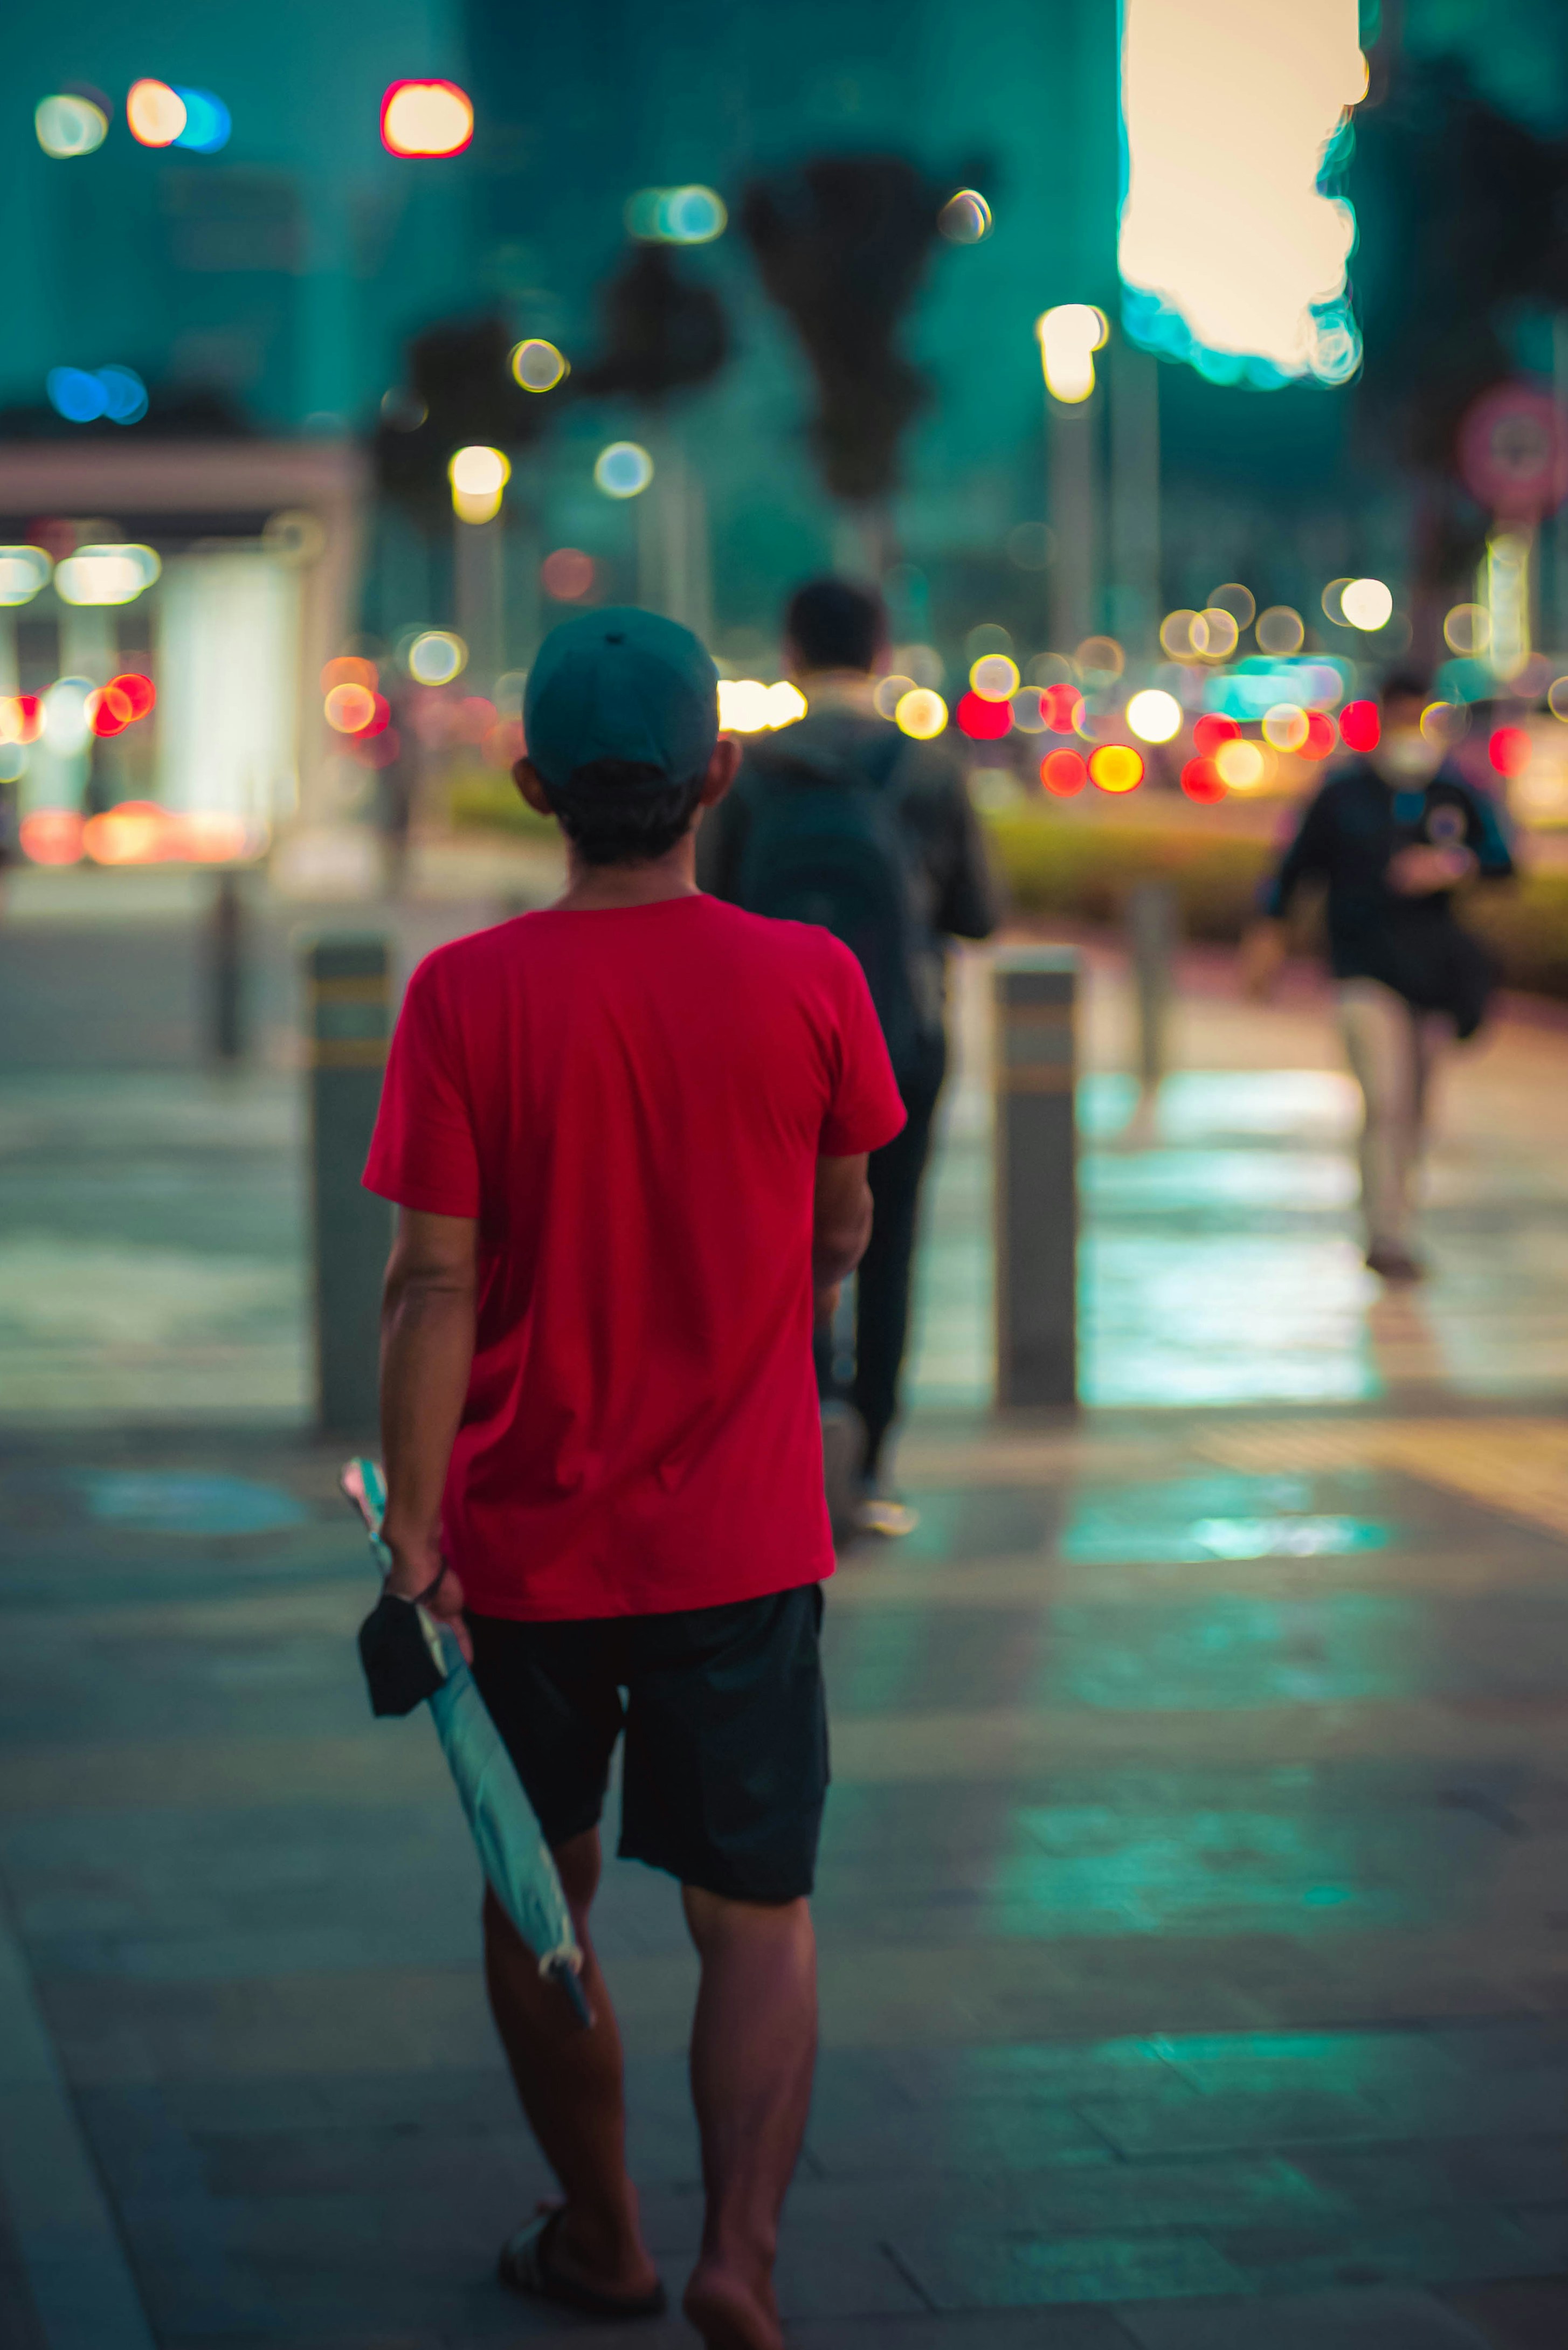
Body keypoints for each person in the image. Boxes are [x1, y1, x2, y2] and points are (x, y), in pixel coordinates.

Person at [362, 607, 904, 2350]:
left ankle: (600, 2237)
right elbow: (841, 1232)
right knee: (757, 1909)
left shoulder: (465, 995)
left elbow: (430, 1284)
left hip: (523, 1551)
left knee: (544, 1900)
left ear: (530, 786)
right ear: (713, 778)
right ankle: (735, 2253)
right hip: (741, 1540)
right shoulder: (808, 981)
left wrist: (417, 1534)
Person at [699, 578, 998, 1536]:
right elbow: (977, 917)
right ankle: (867, 1468)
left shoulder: (747, 773)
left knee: (781, 1253)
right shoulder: (927, 769)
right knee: (889, 1243)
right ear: (880, 651)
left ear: (788, 652)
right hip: (898, 1045)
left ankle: (790, 1455)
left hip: (770, 1053)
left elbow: (711, 907)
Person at [1241, 668, 1514, 1282]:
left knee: (1415, 1108)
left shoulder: (1453, 792)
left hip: (1430, 977)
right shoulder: (1342, 796)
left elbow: (1503, 860)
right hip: (1361, 971)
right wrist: (1267, 941)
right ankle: (1384, 1235)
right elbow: (1290, 871)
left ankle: (1400, 1218)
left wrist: (1452, 865)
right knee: (1383, 1101)